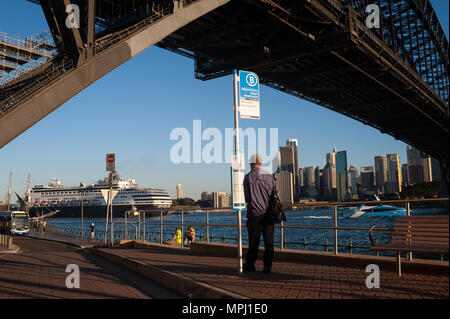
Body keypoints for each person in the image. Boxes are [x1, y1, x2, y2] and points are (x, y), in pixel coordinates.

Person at [243, 154, 278, 274]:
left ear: (251, 163)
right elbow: (276, 194)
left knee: (253, 242)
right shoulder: (269, 176)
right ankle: (267, 267)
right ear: (261, 163)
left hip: (254, 214)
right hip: (268, 215)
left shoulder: (247, 178)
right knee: (269, 242)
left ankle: (250, 265)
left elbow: (247, 198)